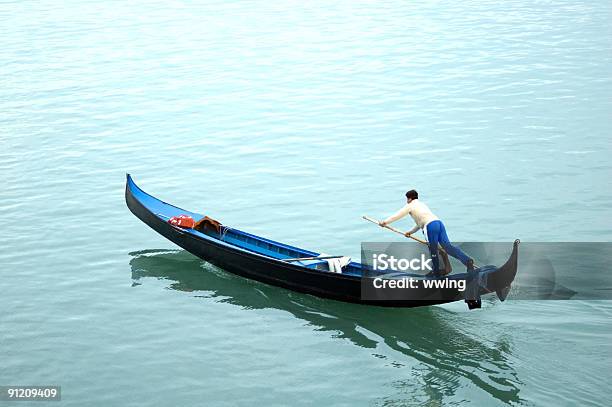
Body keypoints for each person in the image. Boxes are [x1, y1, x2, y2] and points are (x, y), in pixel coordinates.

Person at [379, 189, 474, 276]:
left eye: (407, 199)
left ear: (409, 198)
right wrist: (410, 232)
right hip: (439, 223)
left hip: (430, 227)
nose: (406, 201)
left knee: (433, 250)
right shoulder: (422, 205)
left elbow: (397, 215)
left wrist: (385, 222)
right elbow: (420, 223)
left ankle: (436, 273)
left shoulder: (410, 206)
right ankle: (468, 261)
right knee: (447, 247)